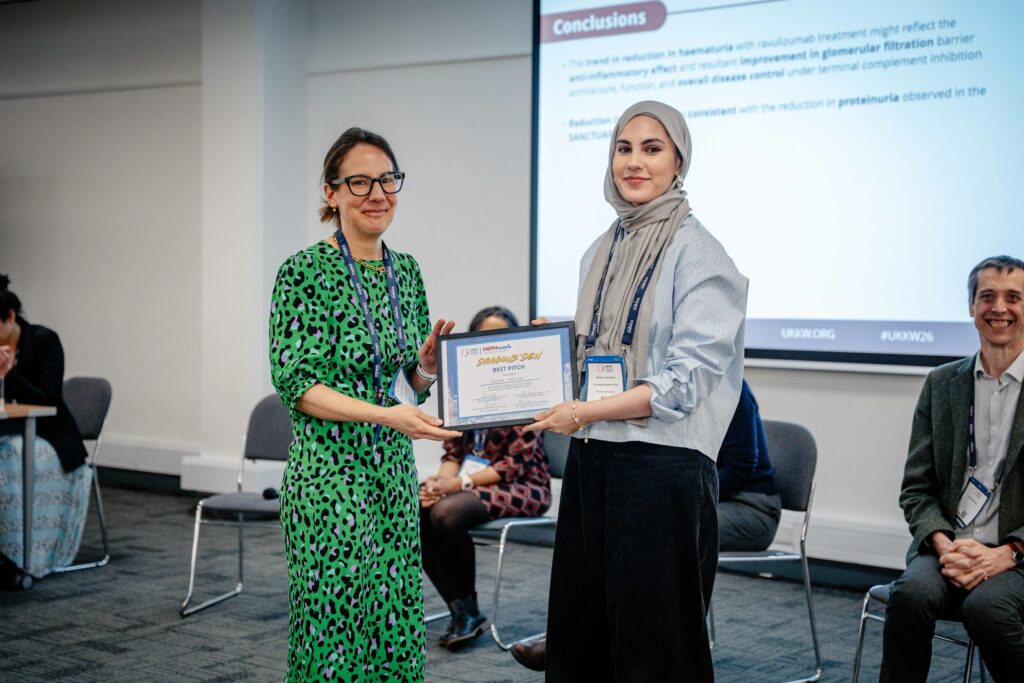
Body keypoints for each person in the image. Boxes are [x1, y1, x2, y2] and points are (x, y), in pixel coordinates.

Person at [527, 100, 747, 682]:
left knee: (655, 648)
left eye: (652, 149)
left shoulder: (701, 253)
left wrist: (584, 410)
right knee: (579, 637)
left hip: (663, 468)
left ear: (679, 162)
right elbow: (599, 350)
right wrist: (543, 359)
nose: (634, 162)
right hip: (594, 459)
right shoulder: (601, 248)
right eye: (623, 148)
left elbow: (684, 382)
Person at [269, 127, 460, 682]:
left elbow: (405, 388)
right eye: (359, 182)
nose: (377, 194)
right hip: (329, 479)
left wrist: (425, 367)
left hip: (392, 479)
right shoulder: (303, 271)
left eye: (387, 180)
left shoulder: (408, 272)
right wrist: (387, 414)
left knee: (394, 625)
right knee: (334, 631)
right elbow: (299, 385)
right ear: (331, 192)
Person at [511, 378, 776, 672]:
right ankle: (577, 640)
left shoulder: (722, 388)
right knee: (625, 540)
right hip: (693, 492)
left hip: (749, 506)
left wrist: (682, 496)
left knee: (647, 545)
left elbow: (742, 467)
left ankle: (577, 642)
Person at [880, 255, 1024, 683]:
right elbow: (916, 489)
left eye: (1014, 297)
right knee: (910, 596)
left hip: (1017, 556)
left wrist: (1007, 553)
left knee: (988, 610)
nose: (999, 308)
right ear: (971, 307)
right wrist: (945, 547)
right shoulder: (941, 384)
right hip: (949, 548)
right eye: (987, 297)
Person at [419, 306, 552, 650]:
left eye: (500, 336)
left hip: (524, 486)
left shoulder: (527, 386)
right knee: (417, 505)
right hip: (469, 485)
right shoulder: (462, 387)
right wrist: (438, 484)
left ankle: (467, 611)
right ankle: (463, 609)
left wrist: (455, 486)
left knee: (446, 512)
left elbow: (514, 464)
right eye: (483, 337)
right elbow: (453, 453)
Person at [0, 274, 91, 586]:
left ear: (11, 317)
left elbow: (49, 398)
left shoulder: (44, 340)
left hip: (49, 435)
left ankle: (16, 556)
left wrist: (8, 373)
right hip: (9, 430)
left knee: (7, 459)